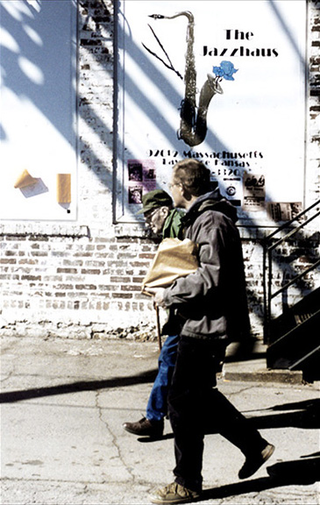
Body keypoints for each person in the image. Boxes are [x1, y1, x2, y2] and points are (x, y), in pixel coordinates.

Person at [147, 160, 275, 504]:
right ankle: (254, 445)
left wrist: (169, 292)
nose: (170, 189)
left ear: (184, 188)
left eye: (172, 184)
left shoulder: (212, 221)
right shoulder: (203, 218)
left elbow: (211, 277)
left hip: (207, 326)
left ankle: (187, 482)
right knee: (196, 396)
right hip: (200, 321)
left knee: (181, 401)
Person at [123, 189, 184, 438]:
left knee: (168, 361)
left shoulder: (179, 227)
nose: (148, 223)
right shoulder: (172, 229)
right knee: (174, 366)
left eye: (150, 216)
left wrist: (167, 292)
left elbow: (189, 269)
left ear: (163, 211)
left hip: (191, 312)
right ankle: (165, 415)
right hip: (184, 309)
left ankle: (154, 418)